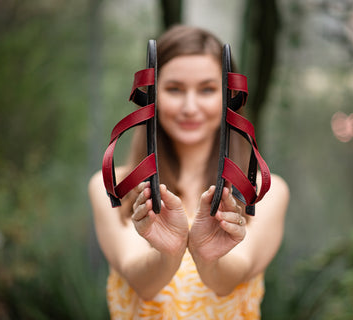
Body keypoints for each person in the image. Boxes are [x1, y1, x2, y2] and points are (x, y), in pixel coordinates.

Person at [88, 25, 289, 319]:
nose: (190, 107)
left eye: (207, 89)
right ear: (152, 95)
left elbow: (230, 280)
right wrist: (168, 253)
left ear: (229, 97)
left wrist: (209, 257)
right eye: (174, 89)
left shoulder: (261, 192)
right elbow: (141, 281)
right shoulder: (114, 185)